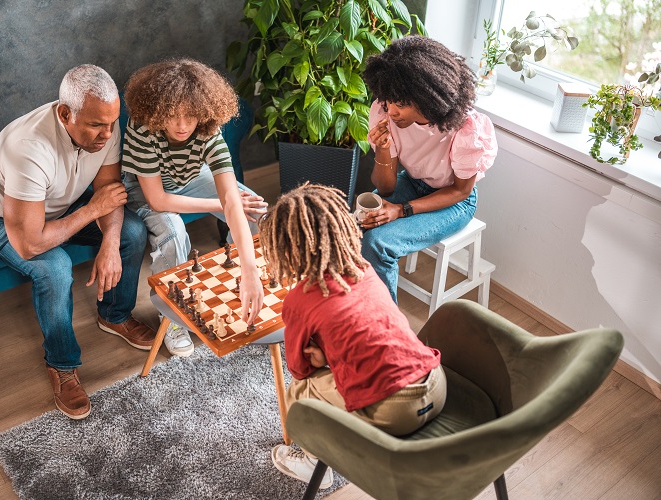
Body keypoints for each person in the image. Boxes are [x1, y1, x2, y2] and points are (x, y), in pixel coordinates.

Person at [0, 64, 156, 420]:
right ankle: (62, 365)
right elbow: (30, 244)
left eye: (112, 123)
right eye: (97, 125)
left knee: (130, 231)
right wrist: (90, 212)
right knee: (55, 268)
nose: (107, 134)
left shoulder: (105, 124)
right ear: (65, 114)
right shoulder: (29, 150)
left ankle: (114, 315)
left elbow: (108, 193)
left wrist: (110, 243)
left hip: (58, 205)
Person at [259, 184, 446, 490]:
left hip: (397, 411)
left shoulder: (299, 299)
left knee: (300, 390)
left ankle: (313, 464)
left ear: (286, 251)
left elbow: (299, 367)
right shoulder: (364, 268)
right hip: (436, 385)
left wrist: (320, 358)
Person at [121, 58, 267, 357]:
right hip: (147, 187)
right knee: (174, 233)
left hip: (189, 179)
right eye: (173, 116)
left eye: (191, 116)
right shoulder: (143, 127)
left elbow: (231, 195)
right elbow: (158, 200)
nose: (182, 125)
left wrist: (250, 268)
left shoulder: (208, 130)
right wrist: (225, 204)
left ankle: (240, 283)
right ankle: (172, 315)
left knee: (256, 212)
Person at [360, 35, 498, 302]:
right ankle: (355, 310)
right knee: (354, 222)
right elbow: (386, 187)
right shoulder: (385, 112)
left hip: (454, 201)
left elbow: (459, 191)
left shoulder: (466, 129)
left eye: (401, 104)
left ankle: (386, 334)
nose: (392, 111)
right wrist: (384, 148)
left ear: (426, 98)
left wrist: (402, 210)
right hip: (413, 182)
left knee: (378, 243)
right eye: (388, 101)